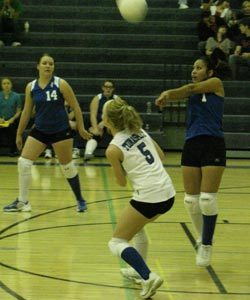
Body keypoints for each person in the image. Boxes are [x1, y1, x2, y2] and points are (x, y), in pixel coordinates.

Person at [155, 56, 230, 267]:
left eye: (198, 68)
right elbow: (189, 90)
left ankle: (206, 246)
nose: (193, 71)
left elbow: (188, 89)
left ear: (209, 72)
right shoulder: (194, 90)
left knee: (207, 199)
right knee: (191, 200)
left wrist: (168, 94)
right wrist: (170, 96)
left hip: (213, 143)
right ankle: (204, 236)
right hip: (191, 143)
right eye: (193, 68)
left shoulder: (216, 84)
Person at [103, 99, 175, 299]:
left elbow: (119, 181)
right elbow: (160, 156)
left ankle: (148, 276)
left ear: (107, 120)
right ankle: (137, 270)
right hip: (168, 193)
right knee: (137, 228)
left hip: (149, 197)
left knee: (116, 242)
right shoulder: (140, 131)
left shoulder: (112, 149)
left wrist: (122, 165)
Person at [3, 53, 92, 213]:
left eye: (51, 63)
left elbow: (76, 107)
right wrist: (19, 133)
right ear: (38, 66)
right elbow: (26, 112)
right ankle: (23, 202)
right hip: (40, 130)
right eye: (44, 63)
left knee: (67, 167)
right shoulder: (31, 86)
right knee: (23, 162)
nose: (48, 66)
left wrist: (81, 128)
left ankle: (80, 199)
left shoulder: (61, 84)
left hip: (60, 130)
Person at [83, 80, 122, 161]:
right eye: (106, 87)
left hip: (112, 123)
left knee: (116, 131)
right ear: (103, 88)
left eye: (110, 87)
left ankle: (120, 155)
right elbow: (93, 115)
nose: (108, 89)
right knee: (95, 133)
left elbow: (119, 114)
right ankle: (88, 153)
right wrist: (95, 128)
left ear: (113, 89)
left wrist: (105, 122)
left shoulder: (117, 99)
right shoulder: (97, 98)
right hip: (98, 123)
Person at [0, 77, 22, 155]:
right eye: (4, 83)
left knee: (13, 127)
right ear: (1, 85)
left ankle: (13, 150)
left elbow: (19, 111)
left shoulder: (16, 96)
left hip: (12, 119)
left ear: (11, 85)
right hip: (1, 120)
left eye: (8, 83)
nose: (6, 85)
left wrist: (12, 119)